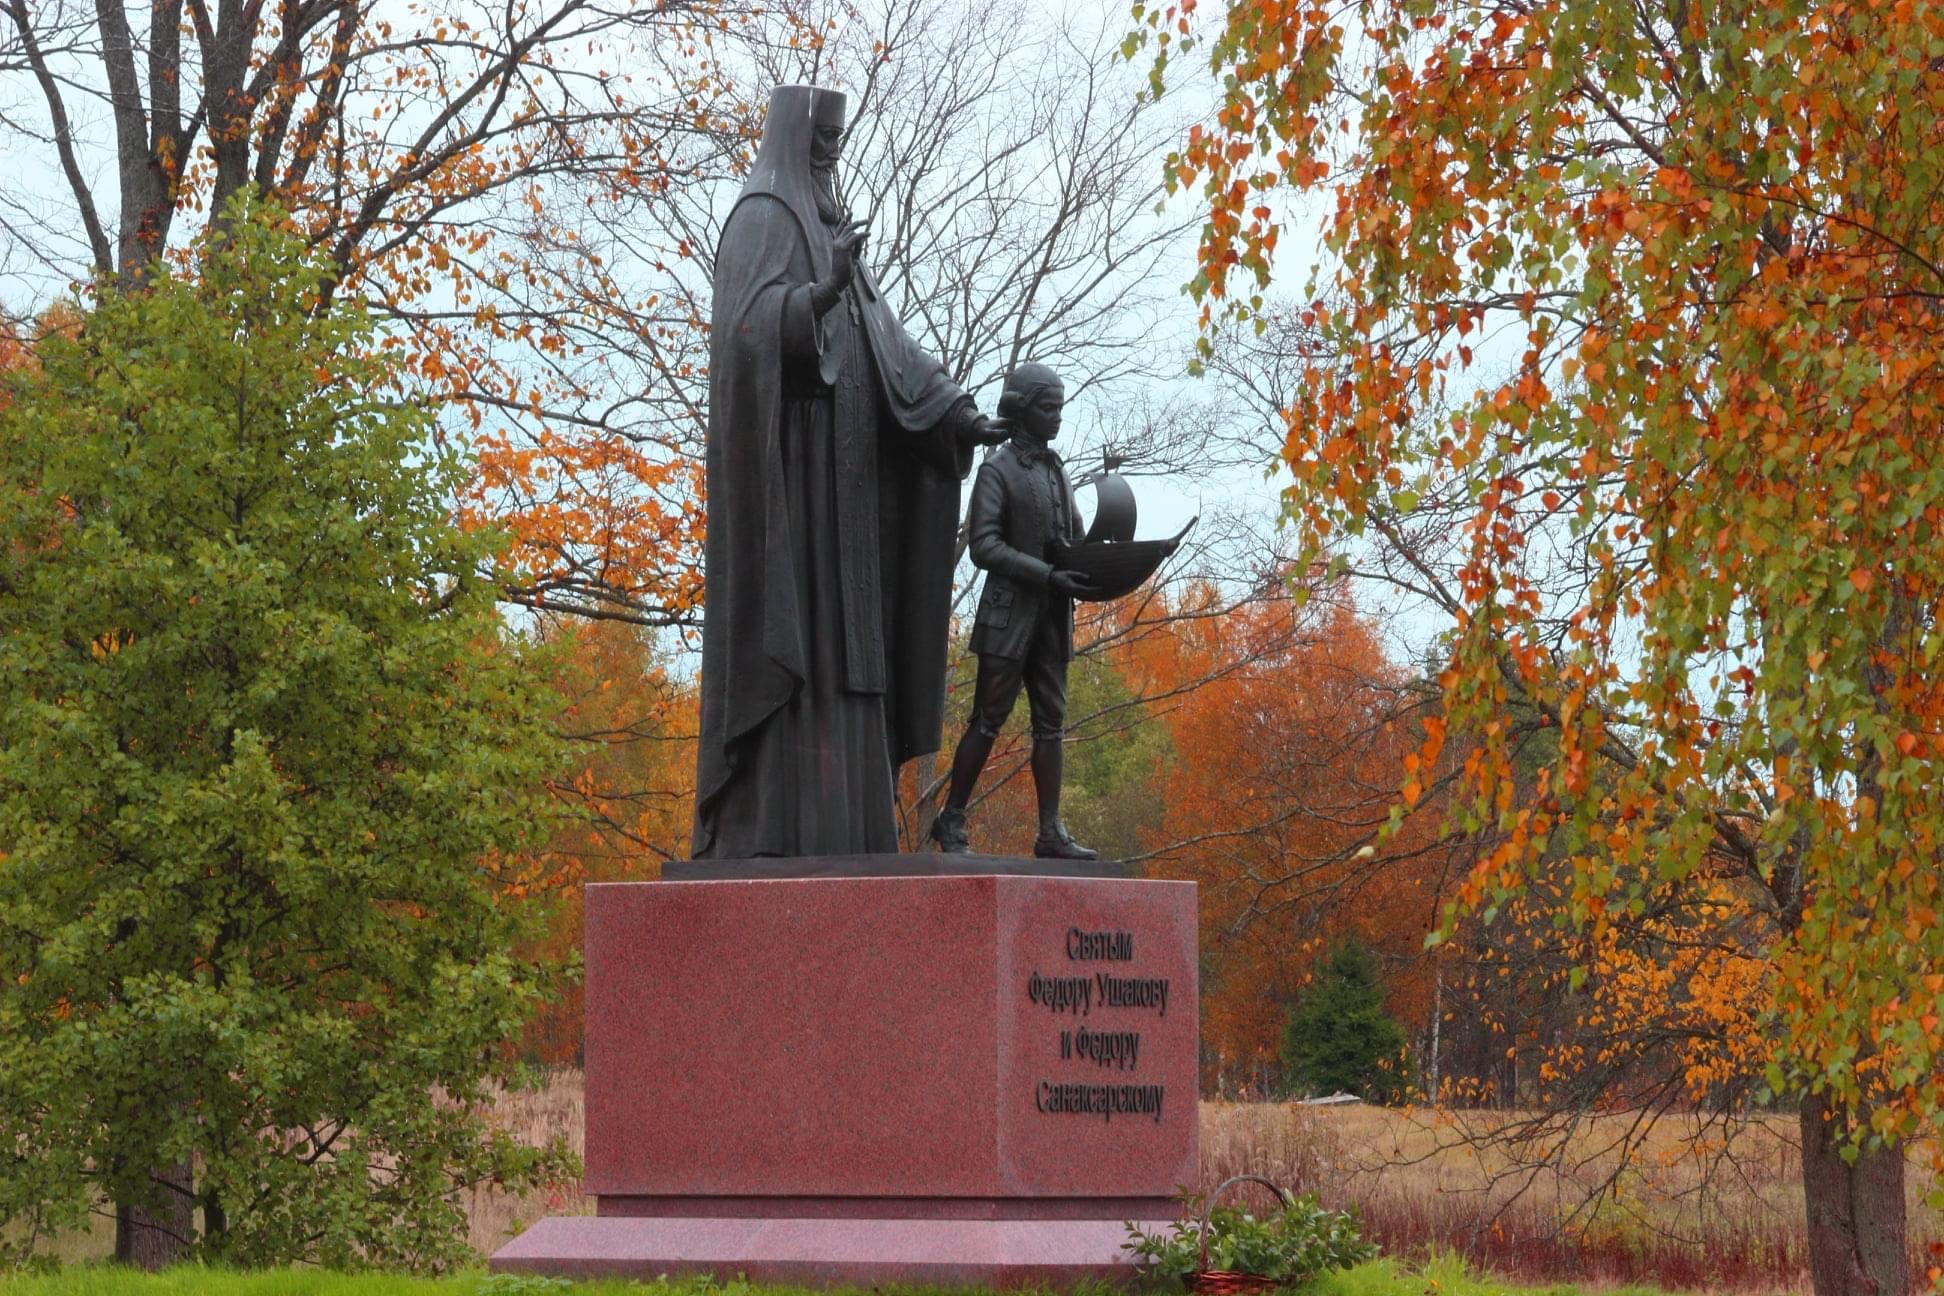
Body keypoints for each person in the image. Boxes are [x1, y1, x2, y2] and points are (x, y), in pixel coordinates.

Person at [691, 84, 1005, 860]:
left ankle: (855, 836)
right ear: (791, 138)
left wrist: (960, 415)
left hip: (850, 492)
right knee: (804, 652)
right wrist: (818, 292)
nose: (830, 154)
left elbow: (889, 347)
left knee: (849, 657)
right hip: (794, 490)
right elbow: (743, 334)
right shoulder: (762, 216)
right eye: (820, 141)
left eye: (838, 140)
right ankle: (773, 830)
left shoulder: (831, 225)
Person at [930, 363, 1100, 861]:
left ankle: (1051, 831)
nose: (1057, 418)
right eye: (1049, 408)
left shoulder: (1056, 468)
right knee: (988, 720)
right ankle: (951, 818)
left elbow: (1072, 534)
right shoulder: (996, 469)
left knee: (1052, 723)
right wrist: (1045, 574)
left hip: (1051, 616)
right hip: (1008, 617)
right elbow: (984, 545)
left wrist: (1099, 556)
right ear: (1022, 408)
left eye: (1060, 408)